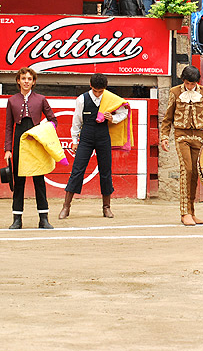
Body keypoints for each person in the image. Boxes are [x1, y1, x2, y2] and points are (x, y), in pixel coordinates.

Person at [59, 73, 129, 220]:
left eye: (101, 91)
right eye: (96, 91)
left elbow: (125, 111)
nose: (98, 94)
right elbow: (76, 121)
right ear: (91, 86)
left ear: (105, 88)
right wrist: (74, 140)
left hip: (103, 137)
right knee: (77, 169)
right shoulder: (82, 99)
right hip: (86, 137)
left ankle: (106, 207)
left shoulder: (109, 98)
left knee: (106, 170)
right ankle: (66, 206)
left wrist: (113, 118)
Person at [160, 66, 203, 226]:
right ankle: (184, 212)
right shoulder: (175, 92)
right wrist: (164, 136)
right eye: (188, 83)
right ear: (183, 80)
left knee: (195, 173)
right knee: (186, 170)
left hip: (198, 136)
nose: (190, 87)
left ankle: (192, 211)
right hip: (181, 135)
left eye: (193, 84)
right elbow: (168, 117)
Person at [4, 67, 56, 230]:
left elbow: (53, 120)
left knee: (39, 181)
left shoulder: (41, 99)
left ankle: (44, 219)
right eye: (23, 78)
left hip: (35, 141)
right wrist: (8, 149)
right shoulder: (12, 100)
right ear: (18, 81)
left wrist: (43, 130)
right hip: (19, 142)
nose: (26, 81)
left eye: (29, 79)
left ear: (33, 82)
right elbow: (9, 127)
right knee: (19, 182)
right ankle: (17, 219)